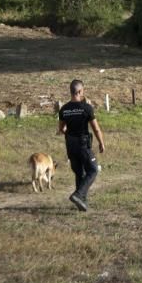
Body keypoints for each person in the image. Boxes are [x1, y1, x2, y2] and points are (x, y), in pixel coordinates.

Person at [57, 79, 105, 212]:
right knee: (93, 169)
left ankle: (81, 202)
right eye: (83, 91)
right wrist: (101, 142)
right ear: (79, 91)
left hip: (70, 145)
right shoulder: (86, 108)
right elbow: (95, 128)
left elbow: (61, 129)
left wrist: (68, 130)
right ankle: (78, 195)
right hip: (83, 144)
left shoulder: (64, 109)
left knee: (79, 173)